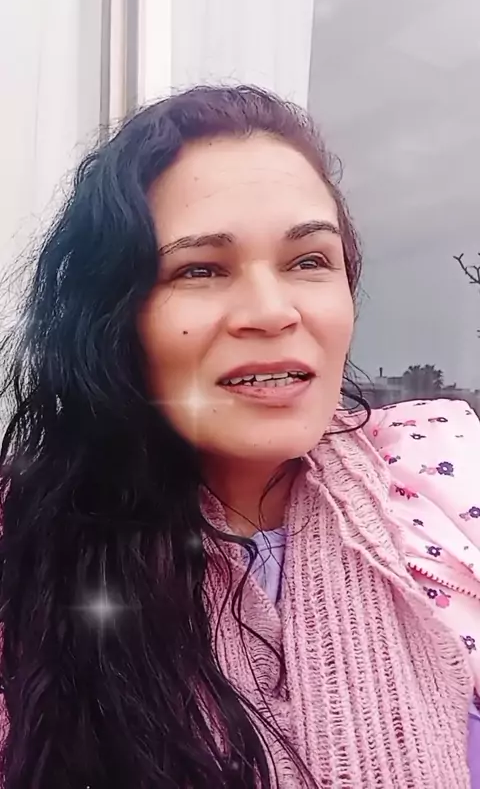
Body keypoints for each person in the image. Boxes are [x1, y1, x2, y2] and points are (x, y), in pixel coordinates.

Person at [0, 85, 478, 789]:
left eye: (308, 261)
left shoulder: (439, 480)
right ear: (114, 317)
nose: (272, 311)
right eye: (201, 269)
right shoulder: (26, 552)